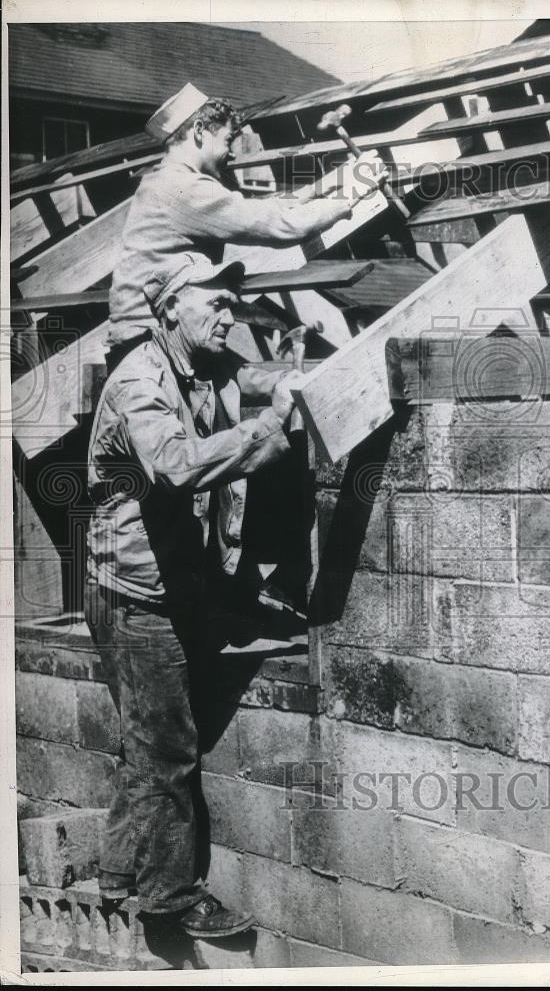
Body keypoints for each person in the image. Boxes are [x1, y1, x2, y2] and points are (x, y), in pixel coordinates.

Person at [84, 252, 302, 937]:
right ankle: (170, 897)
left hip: (165, 584)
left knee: (147, 739)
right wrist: (270, 426)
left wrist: (291, 378)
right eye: (216, 303)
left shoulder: (202, 368)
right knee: (171, 748)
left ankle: (118, 871)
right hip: (133, 593)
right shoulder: (139, 383)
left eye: (234, 304)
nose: (229, 314)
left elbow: (248, 379)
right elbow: (176, 468)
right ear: (172, 308)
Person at [108, 82, 384, 360]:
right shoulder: (183, 188)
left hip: (150, 337)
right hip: (148, 346)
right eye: (228, 140)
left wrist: (334, 182)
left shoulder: (164, 180)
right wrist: (353, 192)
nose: (232, 153)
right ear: (200, 131)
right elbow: (281, 225)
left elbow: (256, 209)